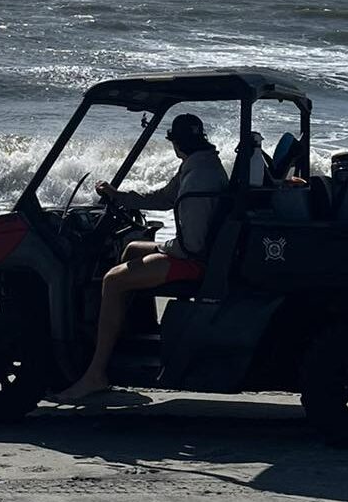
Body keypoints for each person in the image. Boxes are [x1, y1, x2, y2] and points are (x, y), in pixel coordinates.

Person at [49, 113, 229, 403]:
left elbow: (193, 245)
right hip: (195, 252)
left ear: (176, 143)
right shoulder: (201, 165)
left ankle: (96, 373)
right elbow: (162, 198)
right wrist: (120, 196)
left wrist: (164, 248)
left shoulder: (197, 181)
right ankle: (130, 336)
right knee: (132, 250)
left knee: (113, 280)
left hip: (194, 262)